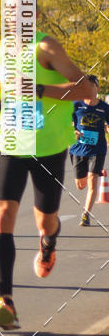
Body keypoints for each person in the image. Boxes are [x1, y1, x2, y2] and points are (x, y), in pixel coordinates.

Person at [0, 27, 94, 330]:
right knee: (1, 214)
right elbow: (3, 94)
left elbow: (87, 91)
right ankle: (5, 300)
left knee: (46, 221)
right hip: (11, 144)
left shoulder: (46, 47)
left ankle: (48, 242)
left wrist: (41, 90)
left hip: (48, 147)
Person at [69, 75, 109, 226]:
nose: (90, 89)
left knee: (92, 180)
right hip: (78, 149)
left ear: (97, 88)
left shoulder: (105, 108)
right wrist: (72, 131)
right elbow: (67, 122)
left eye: (93, 86)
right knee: (81, 185)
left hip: (97, 149)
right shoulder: (76, 105)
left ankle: (86, 214)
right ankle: (83, 175)